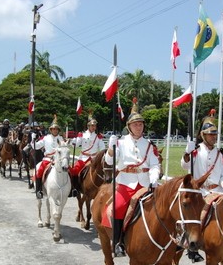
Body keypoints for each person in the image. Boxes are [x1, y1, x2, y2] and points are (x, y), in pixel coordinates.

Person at [105, 103, 161, 257]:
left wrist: (154, 178)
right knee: (118, 207)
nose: (139, 127)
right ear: (129, 126)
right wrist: (111, 148)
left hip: (145, 183)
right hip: (125, 183)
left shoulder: (149, 145)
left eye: (141, 124)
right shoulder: (120, 143)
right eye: (135, 125)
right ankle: (117, 242)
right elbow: (109, 162)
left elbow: (155, 164)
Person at [181, 109, 223, 262]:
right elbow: (184, 165)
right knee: (199, 215)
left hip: (217, 190)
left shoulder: (220, 153)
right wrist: (187, 153)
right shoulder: (196, 151)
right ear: (203, 135)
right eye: (210, 134)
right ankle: (191, 246)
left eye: (215, 134)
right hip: (200, 192)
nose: (214, 137)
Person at [69, 113, 106, 195]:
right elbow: (77, 144)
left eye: (95, 125)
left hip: (94, 159)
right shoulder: (82, 135)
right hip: (83, 158)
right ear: (88, 126)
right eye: (92, 125)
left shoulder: (98, 137)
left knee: (105, 171)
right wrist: (74, 141)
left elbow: (102, 148)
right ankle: (75, 188)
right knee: (74, 171)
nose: (94, 127)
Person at [32, 115, 66, 199]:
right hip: (48, 159)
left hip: (59, 160)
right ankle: (39, 190)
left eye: (56, 129)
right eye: (53, 129)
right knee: (39, 171)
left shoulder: (61, 138)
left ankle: (70, 189)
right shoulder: (46, 138)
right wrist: (33, 139)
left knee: (69, 171)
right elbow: (35, 146)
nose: (55, 130)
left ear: (58, 130)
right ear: (50, 130)